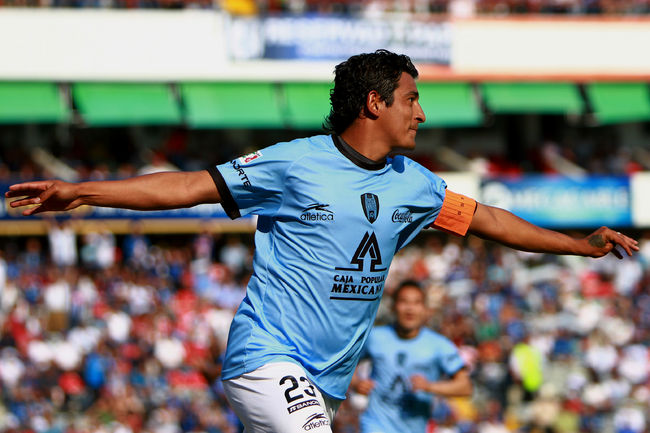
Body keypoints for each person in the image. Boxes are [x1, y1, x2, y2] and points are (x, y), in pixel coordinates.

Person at [5, 50, 638, 433]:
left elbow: (490, 222)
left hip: (327, 384)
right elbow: (191, 186)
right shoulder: (295, 163)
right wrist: (84, 191)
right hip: (267, 357)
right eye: (412, 99)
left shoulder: (414, 183)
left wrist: (578, 247)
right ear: (375, 103)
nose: (421, 113)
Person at [350, 280, 472, 433]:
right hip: (376, 425)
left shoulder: (439, 345)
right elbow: (345, 365)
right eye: (404, 302)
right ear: (393, 306)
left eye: (416, 303)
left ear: (425, 309)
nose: (410, 309)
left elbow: (465, 386)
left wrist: (429, 386)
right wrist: (356, 383)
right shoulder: (375, 337)